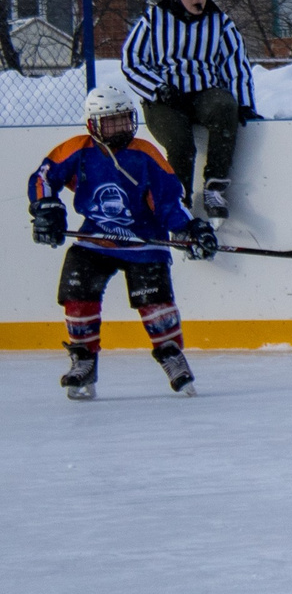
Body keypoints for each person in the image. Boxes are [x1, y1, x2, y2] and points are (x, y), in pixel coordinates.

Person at [27, 79, 217, 400]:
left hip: (144, 243)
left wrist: (189, 229)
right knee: (77, 292)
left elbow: (170, 201)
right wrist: (46, 208)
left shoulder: (145, 154)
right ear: (92, 124)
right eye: (110, 121)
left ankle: (171, 354)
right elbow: (44, 177)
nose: (119, 127)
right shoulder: (78, 150)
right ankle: (84, 359)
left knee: (154, 304)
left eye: (124, 118)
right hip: (95, 240)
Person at [118, 0, 260, 218]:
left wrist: (245, 104)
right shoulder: (154, 19)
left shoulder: (220, 21)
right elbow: (131, 60)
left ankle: (214, 187)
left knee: (225, 106)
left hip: (203, 92)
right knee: (180, 143)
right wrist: (157, 88)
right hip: (165, 99)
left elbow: (236, 64)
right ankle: (177, 199)